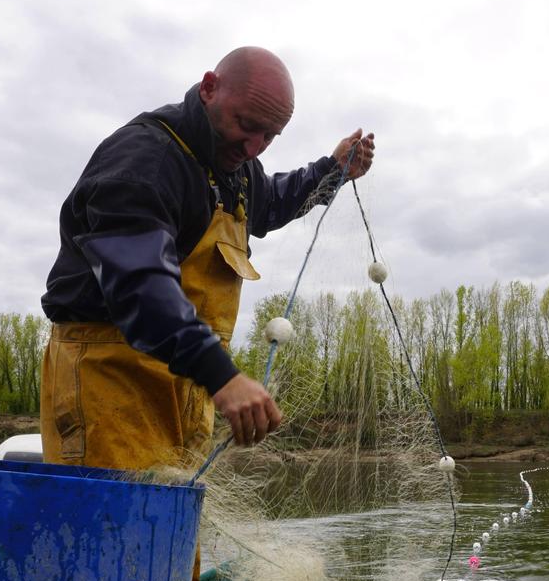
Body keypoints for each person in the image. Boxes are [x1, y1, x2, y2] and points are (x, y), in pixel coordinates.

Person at [40, 47, 375, 471]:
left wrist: (333, 168)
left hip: (186, 386)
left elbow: (273, 202)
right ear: (209, 88)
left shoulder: (233, 170)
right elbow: (140, 286)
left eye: (270, 136)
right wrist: (223, 376)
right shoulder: (145, 158)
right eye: (247, 125)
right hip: (109, 381)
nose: (254, 147)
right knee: (115, 532)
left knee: (173, 533)